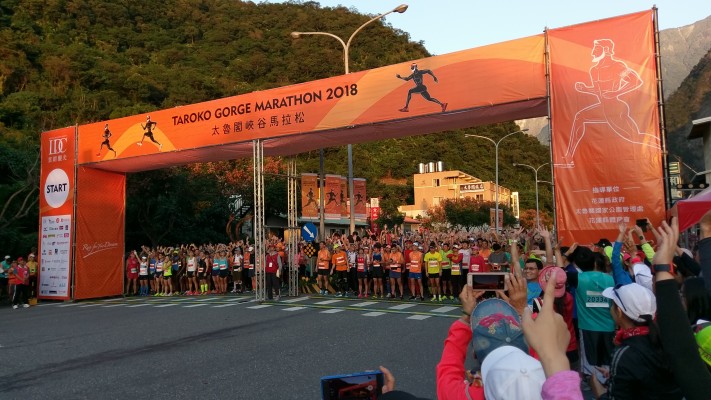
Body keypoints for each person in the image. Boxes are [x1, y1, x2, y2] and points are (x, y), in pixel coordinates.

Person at [597, 282, 683, 399]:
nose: (610, 309)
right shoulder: (667, 339)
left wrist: (598, 389)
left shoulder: (624, 354)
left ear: (619, 312)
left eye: (612, 305)